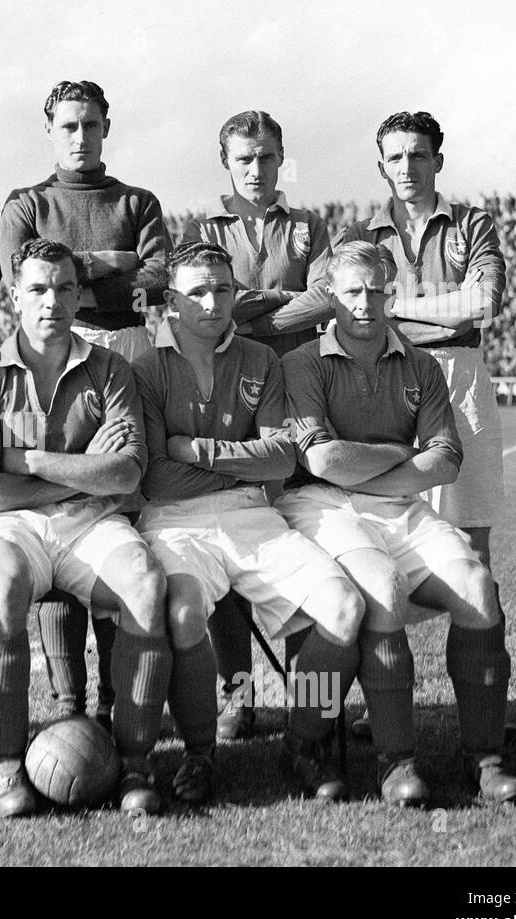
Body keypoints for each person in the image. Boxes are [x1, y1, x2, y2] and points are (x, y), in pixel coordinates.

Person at [276, 241, 516, 806]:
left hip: (398, 503)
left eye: (375, 290)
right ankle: (392, 762)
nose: (364, 304)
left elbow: (447, 458)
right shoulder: (299, 364)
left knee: (478, 587)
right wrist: (396, 453)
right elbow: (321, 462)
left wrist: (367, 467)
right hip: (320, 504)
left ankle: (485, 758)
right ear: (330, 297)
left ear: (391, 292)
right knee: (382, 591)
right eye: (351, 292)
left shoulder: (420, 363)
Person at [132, 241, 364, 802]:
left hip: (252, 515)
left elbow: (283, 459)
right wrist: (238, 464)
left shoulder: (261, 359)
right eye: (197, 293)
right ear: (170, 302)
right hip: (173, 522)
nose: (212, 303)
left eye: (223, 290)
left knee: (344, 605)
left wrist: (197, 451)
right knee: (184, 613)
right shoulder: (145, 366)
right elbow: (155, 479)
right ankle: (199, 754)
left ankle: (303, 744)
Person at [0, 238, 169, 818]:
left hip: (91, 523)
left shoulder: (112, 368)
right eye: (37, 289)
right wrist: (83, 474)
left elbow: (126, 473)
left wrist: (25, 460)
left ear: (79, 295)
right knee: (1, 592)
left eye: (63, 288)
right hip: (11, 523)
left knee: (147, 587)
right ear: (14, 296)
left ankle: (134, 760)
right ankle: (5, 768)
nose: (51, 300)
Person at [0, 80, 171, 731]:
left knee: (114, 510)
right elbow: (23, 272)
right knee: (56, 506)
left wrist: (78, 270)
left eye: (91, 125)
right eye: (68, 126)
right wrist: (103, 263)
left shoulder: (137, 199)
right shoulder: (27, 202)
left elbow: (156, 276)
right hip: (47, 350)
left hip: (124, 351)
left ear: (106, 127)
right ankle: (70, 701)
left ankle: (113, 697)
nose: (80, 136)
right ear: (49, 130)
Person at [190, 109, 337, 740]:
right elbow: (209, 311)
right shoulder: (205, 228)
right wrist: (283, 304)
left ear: (282, 159)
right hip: (233, 395)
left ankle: (311, 695)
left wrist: (254, 308)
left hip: (301, 394)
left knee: (306, 539)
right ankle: (238, 696)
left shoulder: (308, 227)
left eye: (267, 158)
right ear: (227, 162)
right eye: (244, 159)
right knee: (231, 542)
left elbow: (328, 297)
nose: (256, 169)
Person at [339, 111, 506, 570]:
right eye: (395, 157)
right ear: (381, 167)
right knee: (379, 536)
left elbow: (482, 303)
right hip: (385, 376)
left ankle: (478, 637)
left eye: (418, 155)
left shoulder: (472, 224)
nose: (406, 167)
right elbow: (352, 313)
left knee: (470, 543)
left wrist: (393, 305)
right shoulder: (358, 236)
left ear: (438, 160)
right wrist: (447, 310)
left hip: (460, 378)